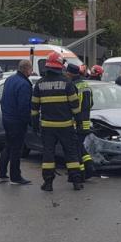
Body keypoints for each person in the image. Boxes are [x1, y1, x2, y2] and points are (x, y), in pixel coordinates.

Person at [31, 52, 83, 192]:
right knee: (71, 154)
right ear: (60, 66)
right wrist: (79, 123)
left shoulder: (39, 84)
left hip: (47, 127)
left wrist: (34, 125)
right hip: (66, 126)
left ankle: (48, 183)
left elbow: (34, 108)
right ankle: (76, 182)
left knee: (48, 155)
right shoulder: (67, 83)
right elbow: (75, 106)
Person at [0, 60, 34, 185]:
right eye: (31, 69)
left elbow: (4, 100)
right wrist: (29, 122)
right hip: (17, 121)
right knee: (16, 149)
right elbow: (24, 107)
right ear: (26, 69)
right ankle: (16, 176)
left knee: (8, 145)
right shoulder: (24, 84)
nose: (32, 71)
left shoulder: (9, 80)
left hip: (7, 118)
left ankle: (2, 172)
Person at [66, 63, 95, 181]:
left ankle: (82, 173)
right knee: (79, 146)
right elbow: (91, 103)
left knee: (75, 149)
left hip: (76, 123)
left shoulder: (73, 86)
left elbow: (72, 106)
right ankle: (89, 167)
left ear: (70, 73)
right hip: (86, 122)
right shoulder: (86, 85)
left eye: (66, 73)